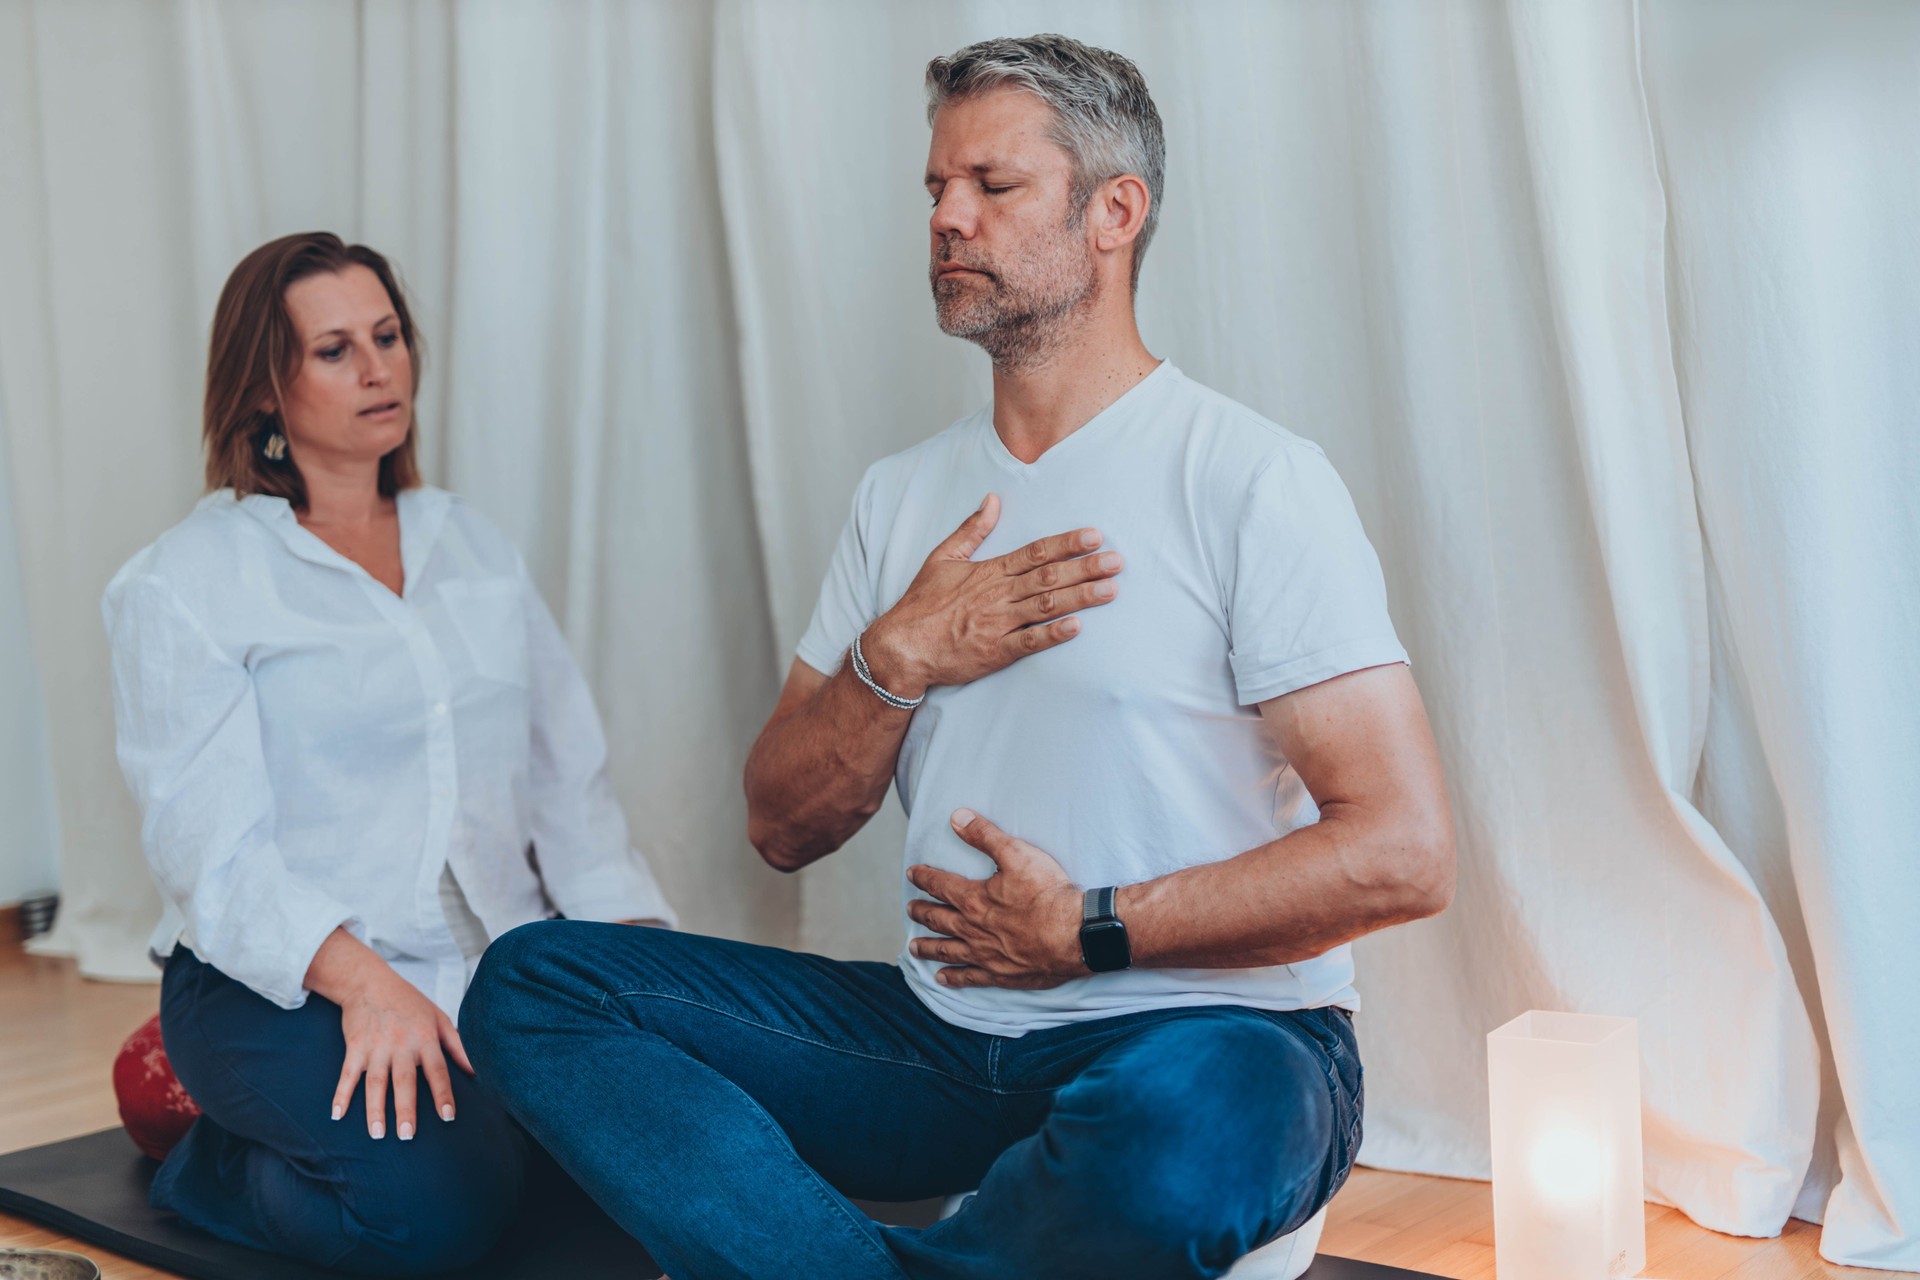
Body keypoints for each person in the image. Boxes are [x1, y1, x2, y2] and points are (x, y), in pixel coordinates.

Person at [461, 33, 1454, 1280]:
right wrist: (898, 655)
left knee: (1192, 1122)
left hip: (1206, 1031)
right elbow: (782, 821)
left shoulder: (1249, 479)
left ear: (1115, 212)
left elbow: (1404, 847)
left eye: (992, 186)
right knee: (535, 985)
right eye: (934, 189)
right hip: (942, 1043)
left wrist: (1089, 929)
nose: (947, 216)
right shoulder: (901, 498)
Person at [103, 231, 675, 1274]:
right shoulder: (186, 581)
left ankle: (489, 1128)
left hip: (491, 961)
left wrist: (642, 964)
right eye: (333, 349)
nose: (378, 367)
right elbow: (209, 851)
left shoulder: (473, 546)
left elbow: (569, 787)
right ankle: (217, 1162)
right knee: (430, 1208)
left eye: (388, 334)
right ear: (265, 388)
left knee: (661, 1144)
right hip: (279, 978)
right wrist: (366, 984)